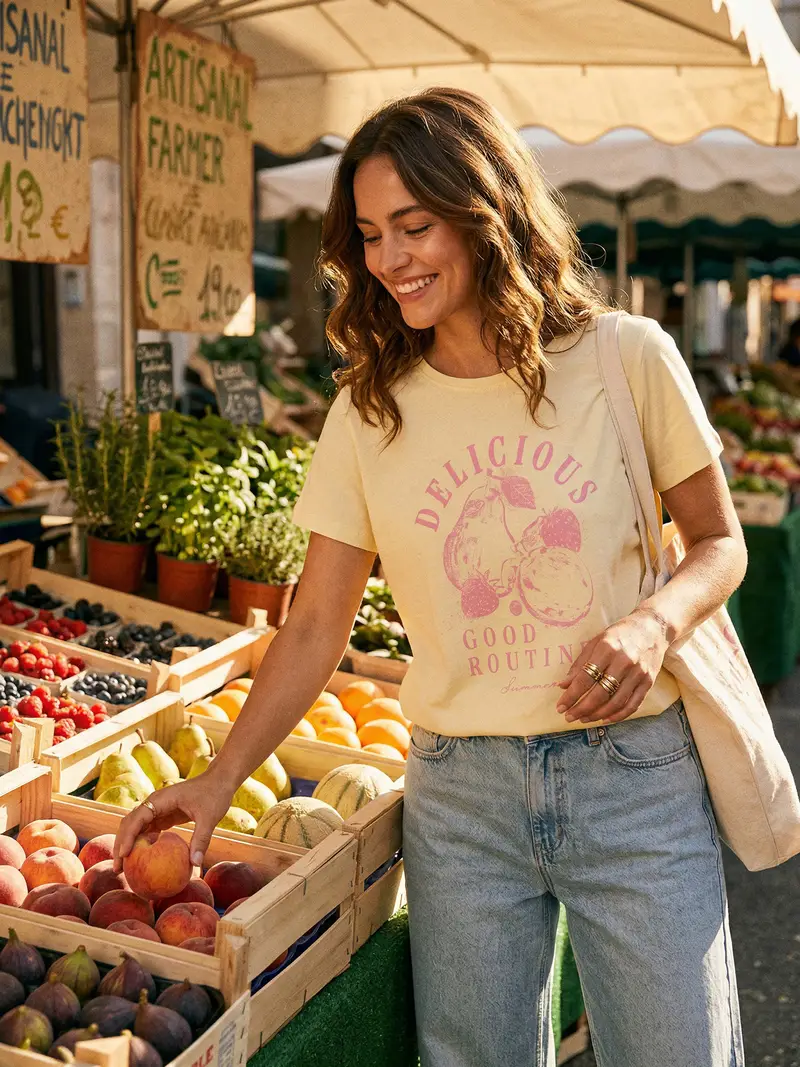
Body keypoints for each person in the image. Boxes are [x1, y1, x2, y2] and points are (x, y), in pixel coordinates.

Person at [115, 89, 747, 1067]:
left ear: (485, 212)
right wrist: (217, 779)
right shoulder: (370, 410)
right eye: (370, 235)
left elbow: (717, 542)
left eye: (414, 226)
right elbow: (315, 624)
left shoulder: (624, 358)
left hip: (631, 776)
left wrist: (652, 624)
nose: (390, 258)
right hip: (461, 797)